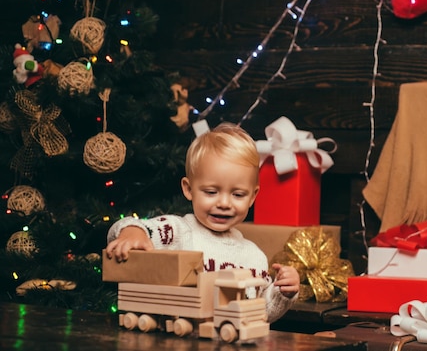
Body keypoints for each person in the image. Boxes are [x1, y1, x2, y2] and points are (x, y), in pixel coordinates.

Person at [105, 122, 300, 323]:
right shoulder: (178, 230)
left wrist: (282, 292)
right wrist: (132, 232)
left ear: (252, 197)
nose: (224, 203)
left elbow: (261, 313)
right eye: (211, 192)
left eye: (238, 194)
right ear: (189, 189)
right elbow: (137, 227)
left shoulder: (254, 256)